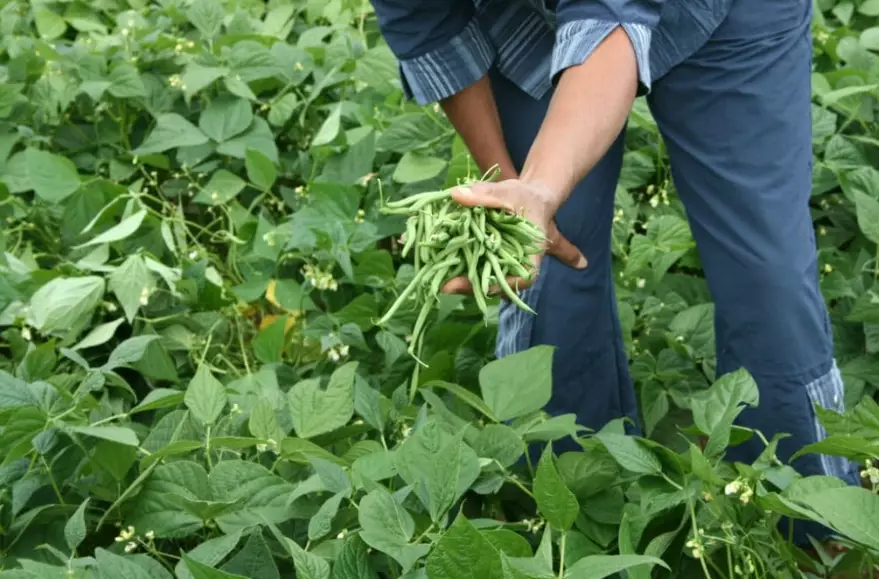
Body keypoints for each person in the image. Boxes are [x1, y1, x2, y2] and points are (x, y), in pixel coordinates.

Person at [368, 0, 861, 544]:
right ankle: (571, 524)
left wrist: (543, 186)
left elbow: (612, 14)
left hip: (729, 16)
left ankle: (808, 533)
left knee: (767, 280)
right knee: (545, 281)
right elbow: (425, 19)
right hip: (530, 19)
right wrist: (515, 196)